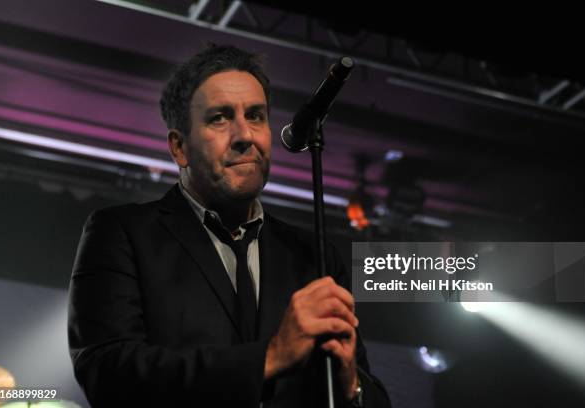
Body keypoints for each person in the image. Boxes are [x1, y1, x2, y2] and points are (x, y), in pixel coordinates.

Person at [68, 44, 391, 408]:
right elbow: (108, 375)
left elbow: (371, 396)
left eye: (256, 116)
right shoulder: (122, 233)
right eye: (219, 118)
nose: (245, 135)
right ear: (179, 148)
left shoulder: (312, 255)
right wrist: (270, 358)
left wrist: (351, 386)